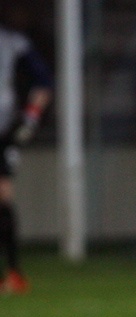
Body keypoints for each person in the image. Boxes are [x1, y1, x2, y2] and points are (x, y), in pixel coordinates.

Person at [0, 15, 52, 295]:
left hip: (3, 130)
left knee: (3, 196)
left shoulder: (13, 43)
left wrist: (29, 120)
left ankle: (14, 273)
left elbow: (44, 82)